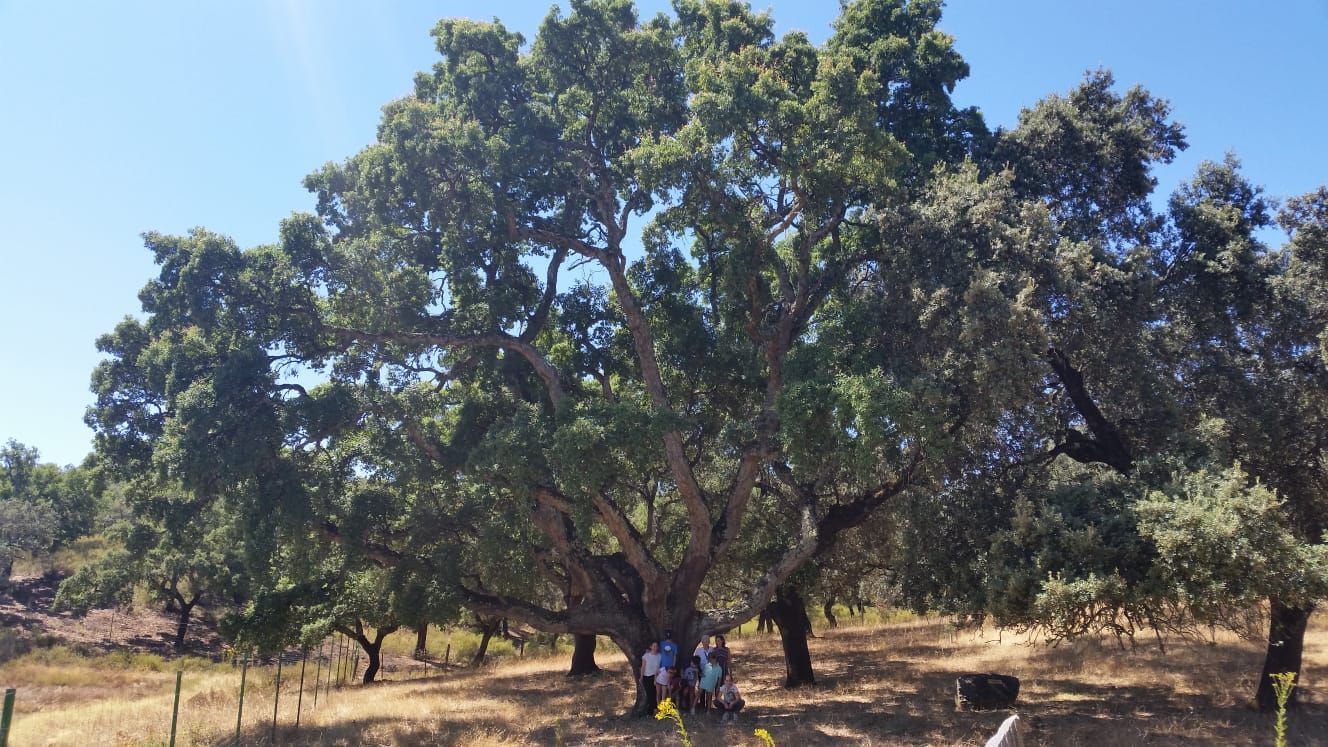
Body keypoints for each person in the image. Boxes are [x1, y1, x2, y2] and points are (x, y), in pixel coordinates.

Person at [641, 642, 662, 712]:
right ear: (650, 647)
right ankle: (652, 709)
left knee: (655, 693)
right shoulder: (646, 656)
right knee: (649, 693)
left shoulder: (659, 656)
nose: (655, 647)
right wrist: (641, 677)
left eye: (656, 646)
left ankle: (655, 708)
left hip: (655, 676)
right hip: (647, 676)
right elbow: (643, 667)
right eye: (654, 646)